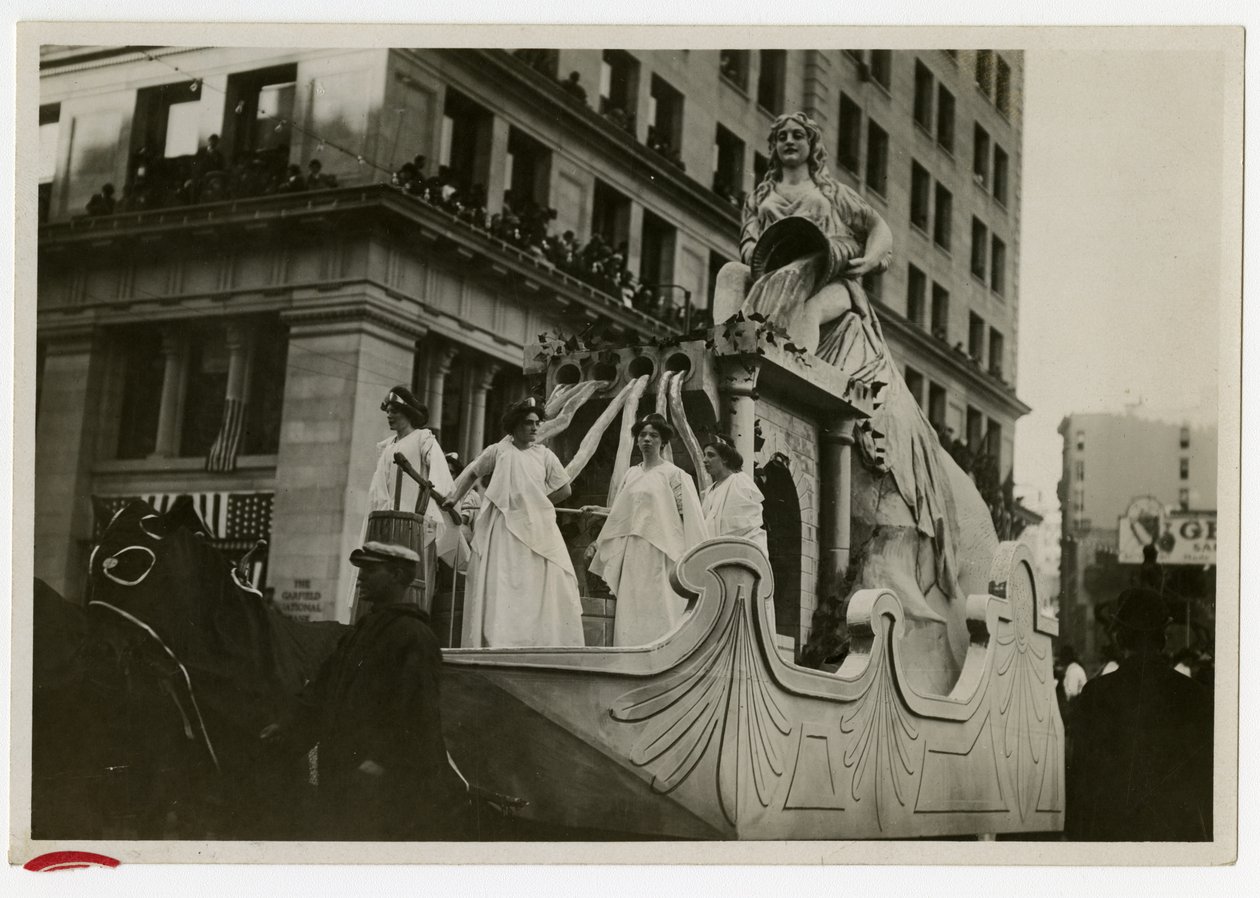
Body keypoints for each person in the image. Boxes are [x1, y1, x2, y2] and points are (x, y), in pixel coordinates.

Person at [260, 541, 467, 840]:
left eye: (371, 570)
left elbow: (417, 714)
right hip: (347, 778)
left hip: (384, 788)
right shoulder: (359, 634)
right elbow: (322, 691)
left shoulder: (414, 636)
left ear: (397, 575)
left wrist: (382, 762)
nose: (361, 578)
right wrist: (287, 726)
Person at [733, 111, 893, 361]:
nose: (789, 141)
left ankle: (795, 372)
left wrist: (869, 260)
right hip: (773, 274)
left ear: (812, 144)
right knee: (730, 272)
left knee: (810, 311)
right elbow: (749, 244)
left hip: (829, 280)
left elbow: (878, 226)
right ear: (774, 146)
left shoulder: (832, 192)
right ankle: (725, 351)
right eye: (782, 137)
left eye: (797, 135)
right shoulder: (759, 197)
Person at [1065, 587, 1213, 841]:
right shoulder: (1194, 694)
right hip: (1176, 836)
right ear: (1163, 638)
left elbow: (1081, 779)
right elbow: (1205, 778)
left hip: (1112, 834)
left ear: (1120, 638)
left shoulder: (1096, 694)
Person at [442, 397, 584, 648]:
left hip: (537, 527)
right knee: (505, 579)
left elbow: (565, 489)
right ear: (515, 424)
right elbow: (473, 472)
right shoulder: (498, 450)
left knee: (542, 579)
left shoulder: (545, 455)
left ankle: (540, 640)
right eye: (528, 423)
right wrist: (454, 497)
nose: (534, 428)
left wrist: (536, 502)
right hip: (504, 526)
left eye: (537, 423)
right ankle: (501, 638)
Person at [586, 413, 709, 647]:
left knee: (661, 603)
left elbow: (690, 516)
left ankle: (664, 651)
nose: (647, 439)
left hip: (662, 551)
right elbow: (625, 511)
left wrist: (692, 559)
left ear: (663, 441)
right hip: (634, 552)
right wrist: (600, 510)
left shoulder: (674, 475)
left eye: (654, 435)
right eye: (642, 435)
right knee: (632, 604)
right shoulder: (631, 473)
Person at [359, 386, 454, 619]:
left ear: (408, 413)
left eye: (395, 411)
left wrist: (426, 513)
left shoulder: (423, 438)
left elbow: (440, 479)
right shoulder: (387, 448)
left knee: (414, 583)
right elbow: (378, 493)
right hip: (388, 528)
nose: (389, 415)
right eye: (388, 411)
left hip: (416, 527)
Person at [700, 439, 768, 554]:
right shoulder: (709, 491)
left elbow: (739, 525)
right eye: (704, 455)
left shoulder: (739, 481)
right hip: (713, 552)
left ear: (725, 458)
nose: (704, 460)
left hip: (738, 552)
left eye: (711, 455)